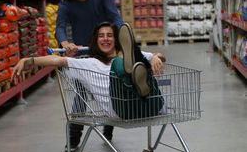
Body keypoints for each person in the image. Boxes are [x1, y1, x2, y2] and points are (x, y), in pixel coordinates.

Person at [11, 22, 165, 130]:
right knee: (121, 63)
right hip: (121, 110)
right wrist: (29, 60)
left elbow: (162, 57)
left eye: (110, 35)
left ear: (117, 40)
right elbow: (58, 60)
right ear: (95, 41)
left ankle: (140, 79)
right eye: (101, 36)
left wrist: (156, 57)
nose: (105, 38)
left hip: (151, 106)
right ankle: (136, 78)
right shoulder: (89, 63)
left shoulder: (127, 55)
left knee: (137, 61)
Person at [55, 0, 123, 149]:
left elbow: (115, 18)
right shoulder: (66, 4)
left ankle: (109, 127)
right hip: (83, 55)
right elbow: (60, 27)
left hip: (106, 51)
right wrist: (65, 43)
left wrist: (120, 37)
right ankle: (73, 139)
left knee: (111, 90)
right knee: (80, 94)